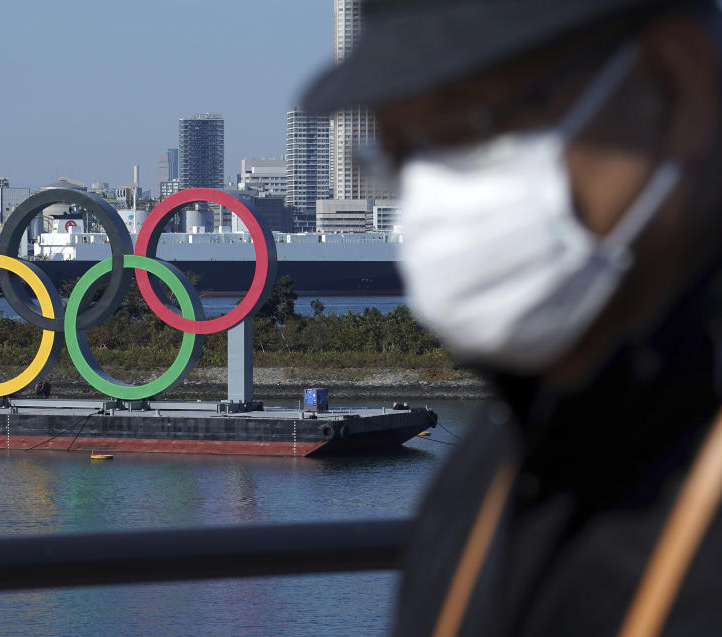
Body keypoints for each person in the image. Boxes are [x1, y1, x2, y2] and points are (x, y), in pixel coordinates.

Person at [303, 0, 722, 635]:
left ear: (679, 87)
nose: (435, 196)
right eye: (400, 151)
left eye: (472, 122)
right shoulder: (487, 474)